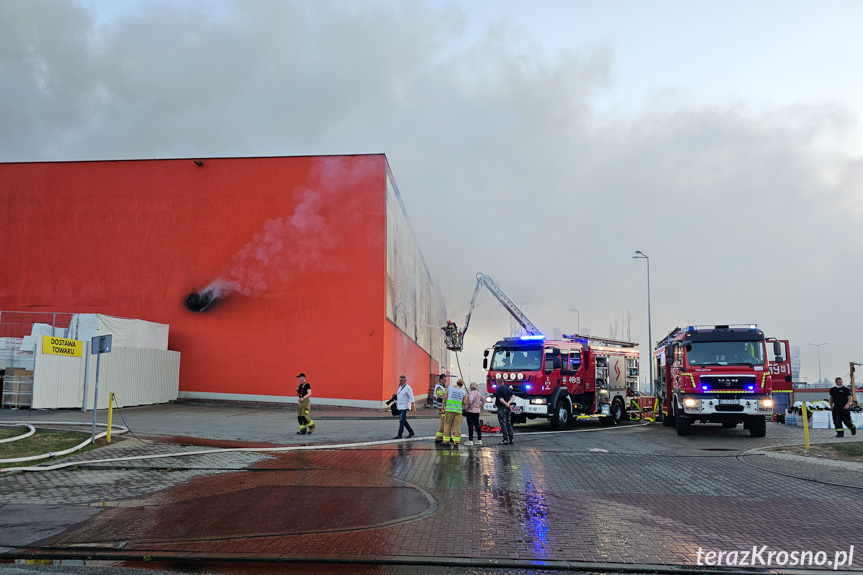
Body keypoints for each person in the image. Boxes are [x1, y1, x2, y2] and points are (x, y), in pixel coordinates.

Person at [442, 378, 467, 449]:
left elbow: (445, 397)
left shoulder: (450, 388)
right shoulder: (463, 392)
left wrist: (443, 406)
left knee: (447, 424)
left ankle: (446, 441)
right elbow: (465, 402)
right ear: (462, 385)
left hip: (449, 410)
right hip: (458, 411)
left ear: (456, 383)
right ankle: (456, 442)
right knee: (457, 426)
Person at [393, 375, 416, 439]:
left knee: (401, 421)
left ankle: (399, 435)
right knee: (403, 421)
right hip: (399, 406)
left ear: (405, 381)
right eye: (399, 380)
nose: (399, 381)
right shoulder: (399, 387)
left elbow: (411, 397)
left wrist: (413, 407)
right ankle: (411, 432)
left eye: (401, 380)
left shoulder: (408, 388)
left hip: (404, 406)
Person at [495, 380, 516, 445]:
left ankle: (505, 439)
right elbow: (513, 397)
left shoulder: (498, 390)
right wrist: (509, 404)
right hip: (508, 409)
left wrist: (506, 404)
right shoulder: (507, 388)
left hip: (502, 408)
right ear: (503, 382)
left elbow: (501, 399)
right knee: (508, 423)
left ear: (497, 383)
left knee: (503, 423)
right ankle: (511, 439)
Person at [463, 382, 484, 446]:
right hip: (477, 411)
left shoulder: (471, 393)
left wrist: (469, 405)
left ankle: (470, 440)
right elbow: (484, 399)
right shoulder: (479, 394)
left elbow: (470, 400)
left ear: (470, 387)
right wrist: (480, 406)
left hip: (471, 411)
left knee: (470, 426)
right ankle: (479, 439)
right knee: (477, 425)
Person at [433, 374, 448, 444]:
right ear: (441, 379)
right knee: (444, 422)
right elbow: (440, 397)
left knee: (445, 422)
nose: (445, 381)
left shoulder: (442, 386)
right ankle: (438, 438)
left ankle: (445, 436)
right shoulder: (439, 387)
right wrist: (448, 399)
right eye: (444, 379)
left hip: (442, 407)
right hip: (440, 408)